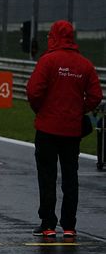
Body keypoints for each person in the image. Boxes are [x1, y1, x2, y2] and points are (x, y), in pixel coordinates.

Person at [26, 20, 102, 238]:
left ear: (54, 36)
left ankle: (48, 224)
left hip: (48, 128)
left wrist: (41, 110)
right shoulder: (85, 65)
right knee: (70, 177)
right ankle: (69, 225)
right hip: (72, 130)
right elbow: (96, 96)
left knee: (47, 176)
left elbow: (33, 92)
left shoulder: (48, 61)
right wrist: (79, 109)